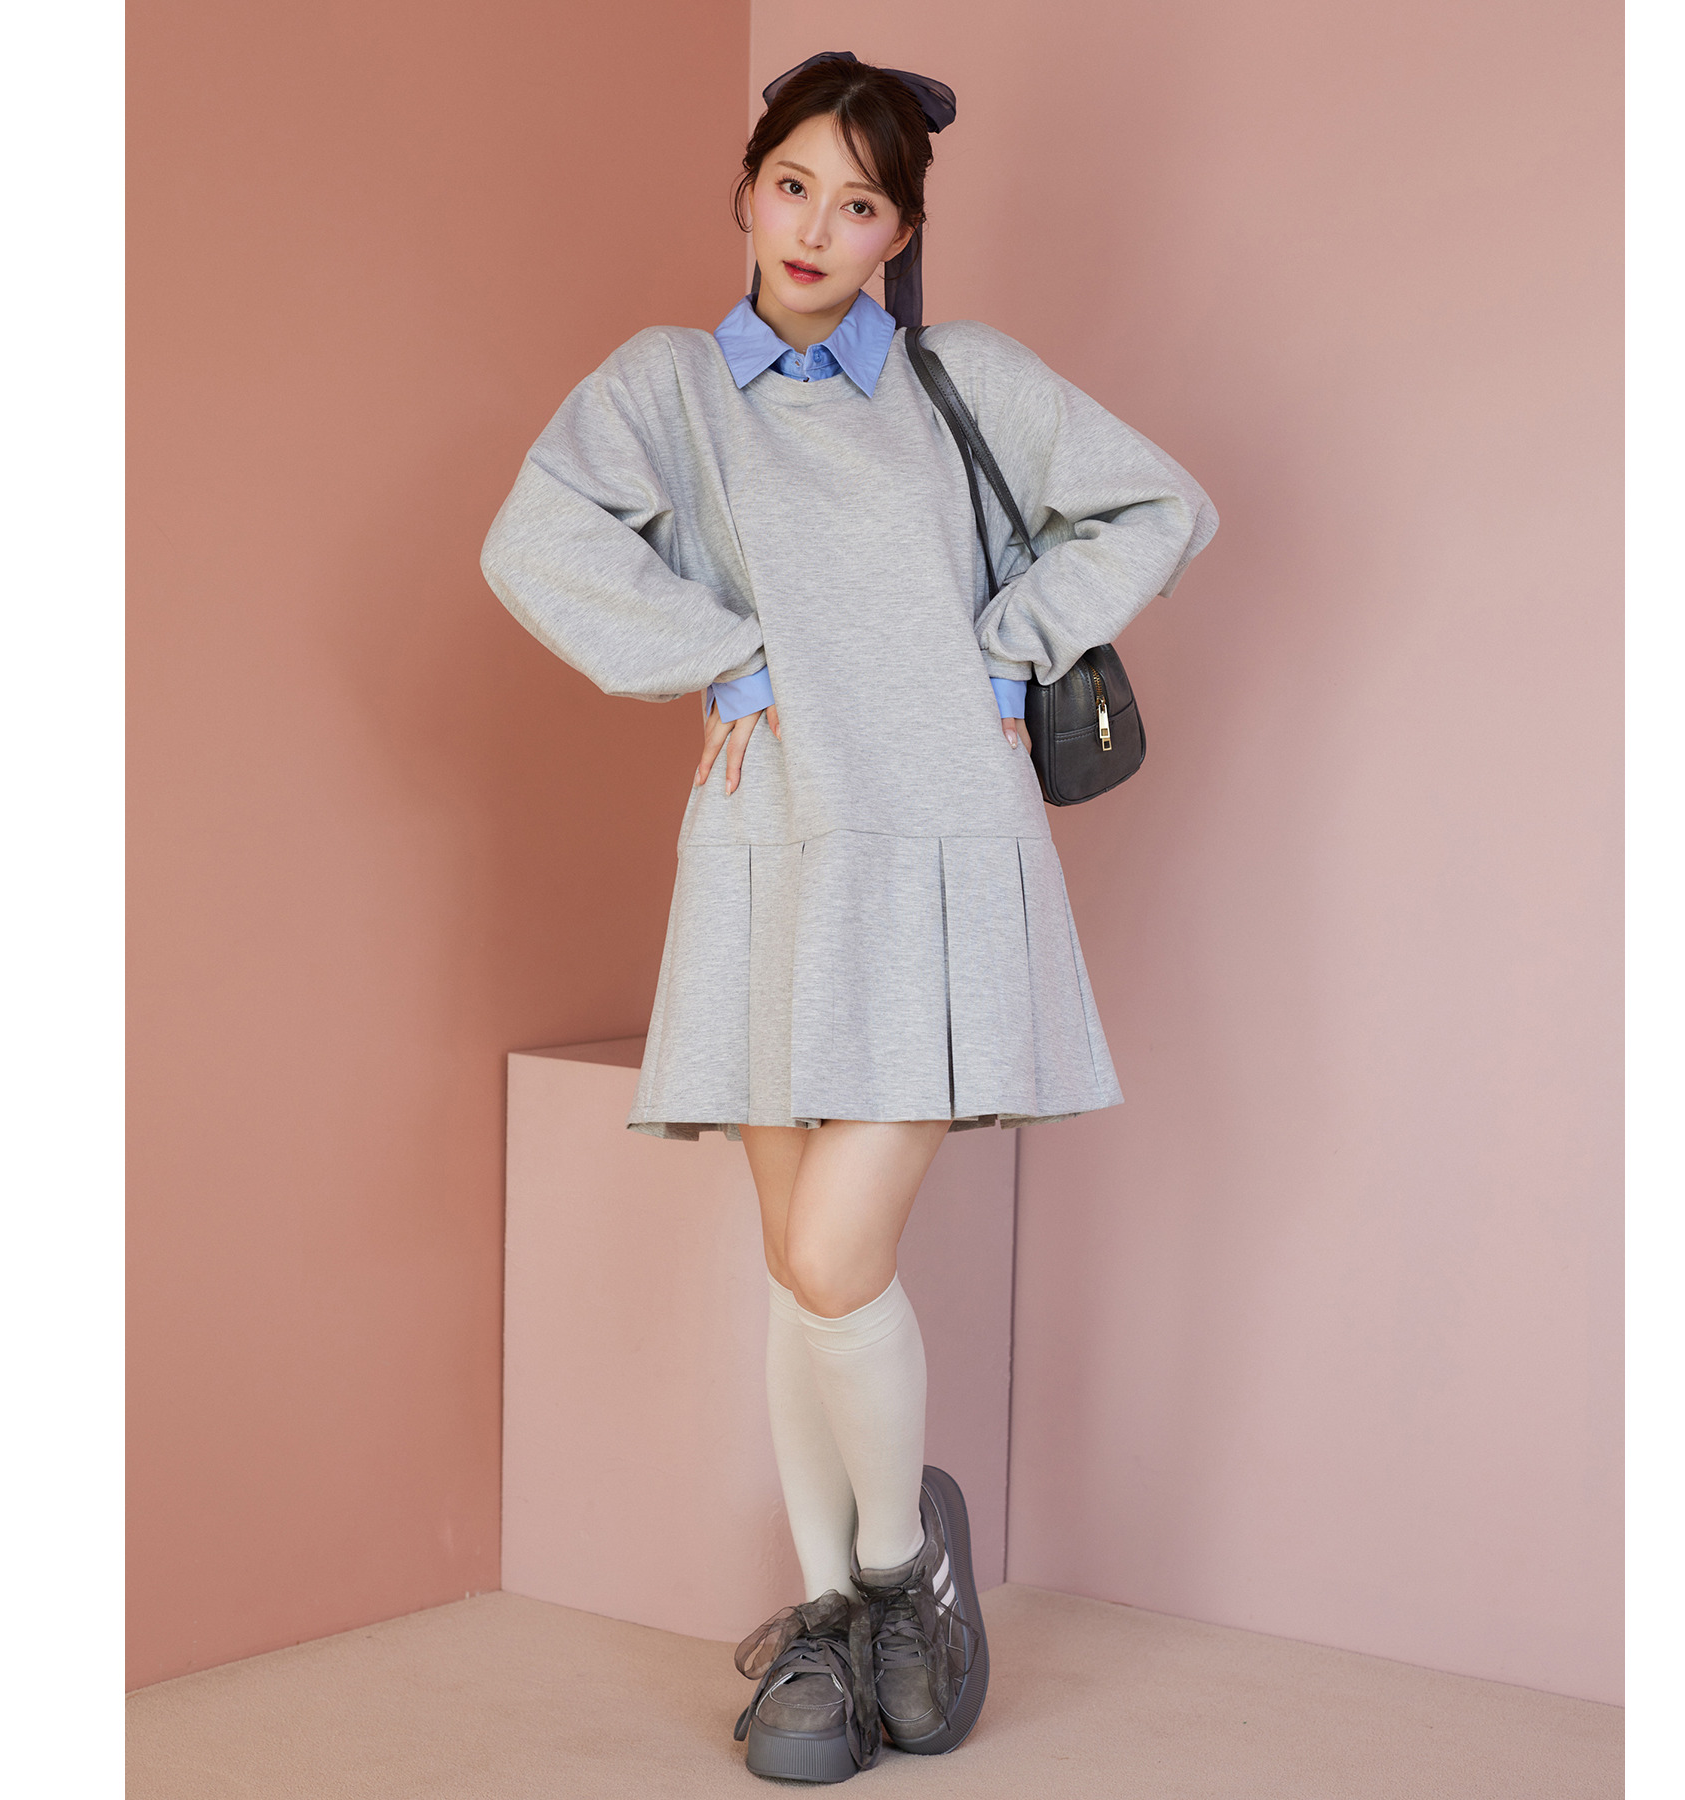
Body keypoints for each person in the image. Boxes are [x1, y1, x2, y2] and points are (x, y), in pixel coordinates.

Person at [480, 50, 1217, 1784]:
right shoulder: (671, 387)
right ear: (745, 189)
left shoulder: (969, 381)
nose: (818, 226)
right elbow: (534, 541)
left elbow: (1160, 504)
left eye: (861, 202)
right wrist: (717, 658)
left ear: (901, 231)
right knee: (797, 1274)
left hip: (946, 846)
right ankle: (827, 1621)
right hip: (769, 851)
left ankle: (903, 1572)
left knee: (833, 1258)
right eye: (794, 184)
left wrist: (1008, 647)